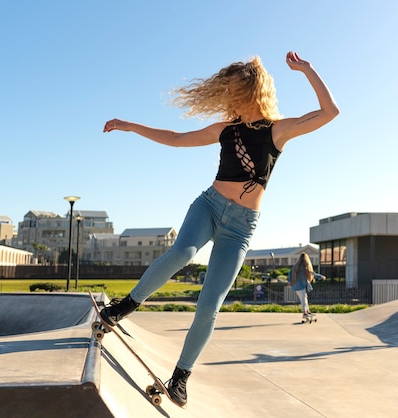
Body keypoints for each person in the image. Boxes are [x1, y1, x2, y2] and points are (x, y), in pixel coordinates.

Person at [101, 51, 340, 406]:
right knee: (182, 252)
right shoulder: (225, 131)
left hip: (240, 228)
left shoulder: (278, 130)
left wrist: (307, 70)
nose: (230, 102)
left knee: (210, 304)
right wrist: (132, 126)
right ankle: (127, 305)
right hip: (209, 206)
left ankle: (181, 375)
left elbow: (329, 112)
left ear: (249, 94)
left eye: (234, 95)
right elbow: (177, 138)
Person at [287, 252, 326, 321]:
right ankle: (305, 313)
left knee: (304, 297)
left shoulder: (295, 266)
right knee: (303, 299)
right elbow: (312, 273)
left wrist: (289, 281)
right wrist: (321, 277)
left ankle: (307, 311)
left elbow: (290, 273)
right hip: (301, 285)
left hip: (296, 286)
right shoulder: (304, 266)